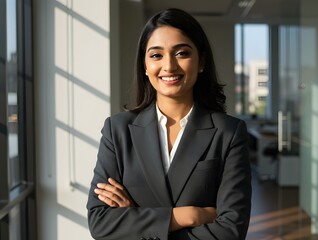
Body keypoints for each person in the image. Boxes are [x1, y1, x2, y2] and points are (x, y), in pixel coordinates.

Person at [86, 8, 252, 240]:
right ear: (144, 65)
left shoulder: (229, 132)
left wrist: (136, 217)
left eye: (182, 53)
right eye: (156, 55)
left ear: (201, 61)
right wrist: (188, 215)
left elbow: (231, 231)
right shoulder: (117, 130)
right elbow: (100, 223)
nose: (169, 66)